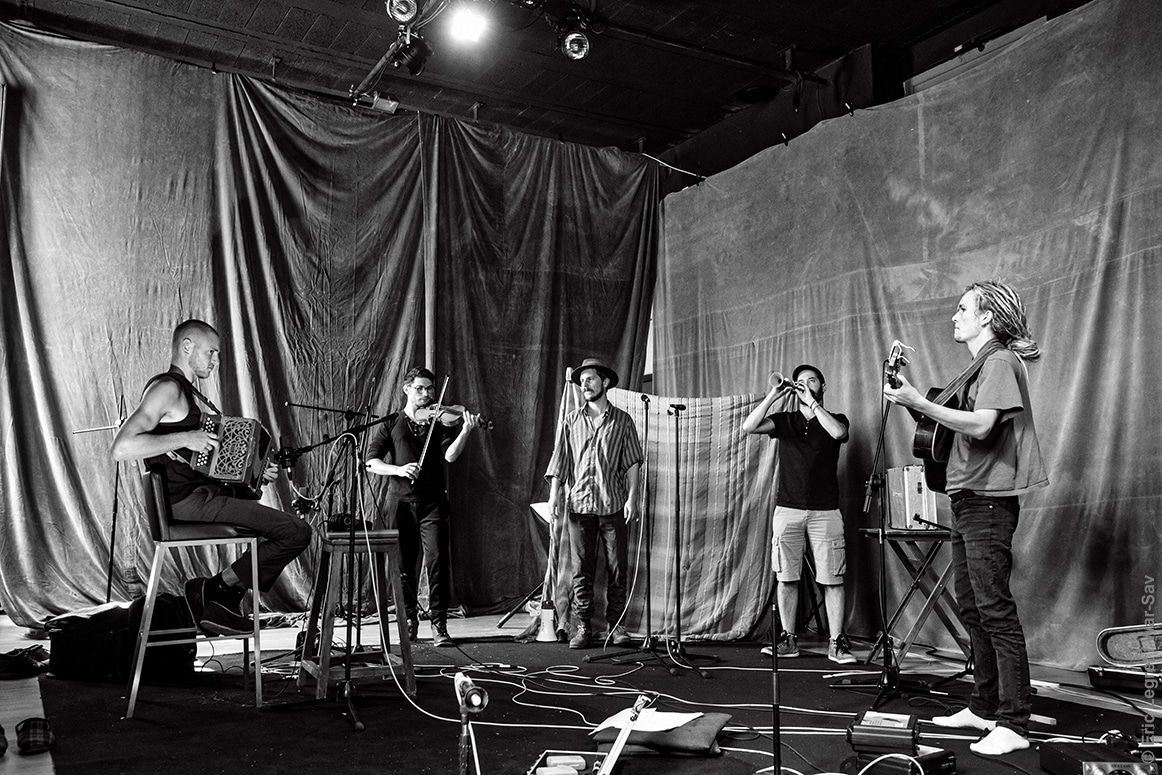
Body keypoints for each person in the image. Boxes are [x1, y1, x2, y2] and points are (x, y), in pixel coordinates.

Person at [884, 280, 1047, 756]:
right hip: (966, 498)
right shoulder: (976, 368)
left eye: (962, 309)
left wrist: (919, 402)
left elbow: (982, 424)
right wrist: (915, 401)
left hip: (989, 501)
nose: (954, 316)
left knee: (994, 609)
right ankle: (984, 706)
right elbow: (948, 430)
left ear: (987, 317)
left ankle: (1014, 723)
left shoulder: (998, 361)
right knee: (973, 607)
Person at [111, 319, 312, 636]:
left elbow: (203, 463)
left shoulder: (186, 393)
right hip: (188, 502)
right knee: (296, 531)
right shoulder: (167, 389)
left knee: (280, 529)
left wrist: (257, 475)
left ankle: (221, 596)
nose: (215, 361)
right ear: (187, 346)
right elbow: (121, 447)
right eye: (211, 352)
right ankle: (218, 589)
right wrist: (186, 438)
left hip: (200, 496)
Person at [743, 364, 855, 665]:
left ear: (823, 386)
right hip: (787, 509)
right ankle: (789, 639)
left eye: (812, 380)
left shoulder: (835, 418)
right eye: (800, 381)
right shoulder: (785, 421)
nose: (805, 384)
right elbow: (749, 427)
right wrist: (774, 394)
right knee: (787, 577)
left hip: (826, 510)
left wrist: (813, 404)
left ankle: (837, 642)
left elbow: (839, 433)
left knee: (832, 579)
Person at [365, 367, 481, 648]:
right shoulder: (392, 422)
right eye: (420, 388)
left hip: (433, 503)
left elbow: (450, 456)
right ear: (407, 389)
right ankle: (408, 620)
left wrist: (465, 431)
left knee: (437, 561)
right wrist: (398, 469)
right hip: (400, 504)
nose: (427, 394)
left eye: (430, 389)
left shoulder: (439, 422)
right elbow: (371, 462)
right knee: (403, 566)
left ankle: (439, 624)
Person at [545, 358, 642, 650]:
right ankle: (583, 627)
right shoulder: (571, 421)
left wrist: (633, 497)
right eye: (581, 380)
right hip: (579, 506)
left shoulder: (623, 420)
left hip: (613, 505)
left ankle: (617, 626)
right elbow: (560, 460)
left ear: (605, 382)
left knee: (617, 570)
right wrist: (553, 494)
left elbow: (632, 462)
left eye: (590, 379)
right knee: (581, 572)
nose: (584, 384)